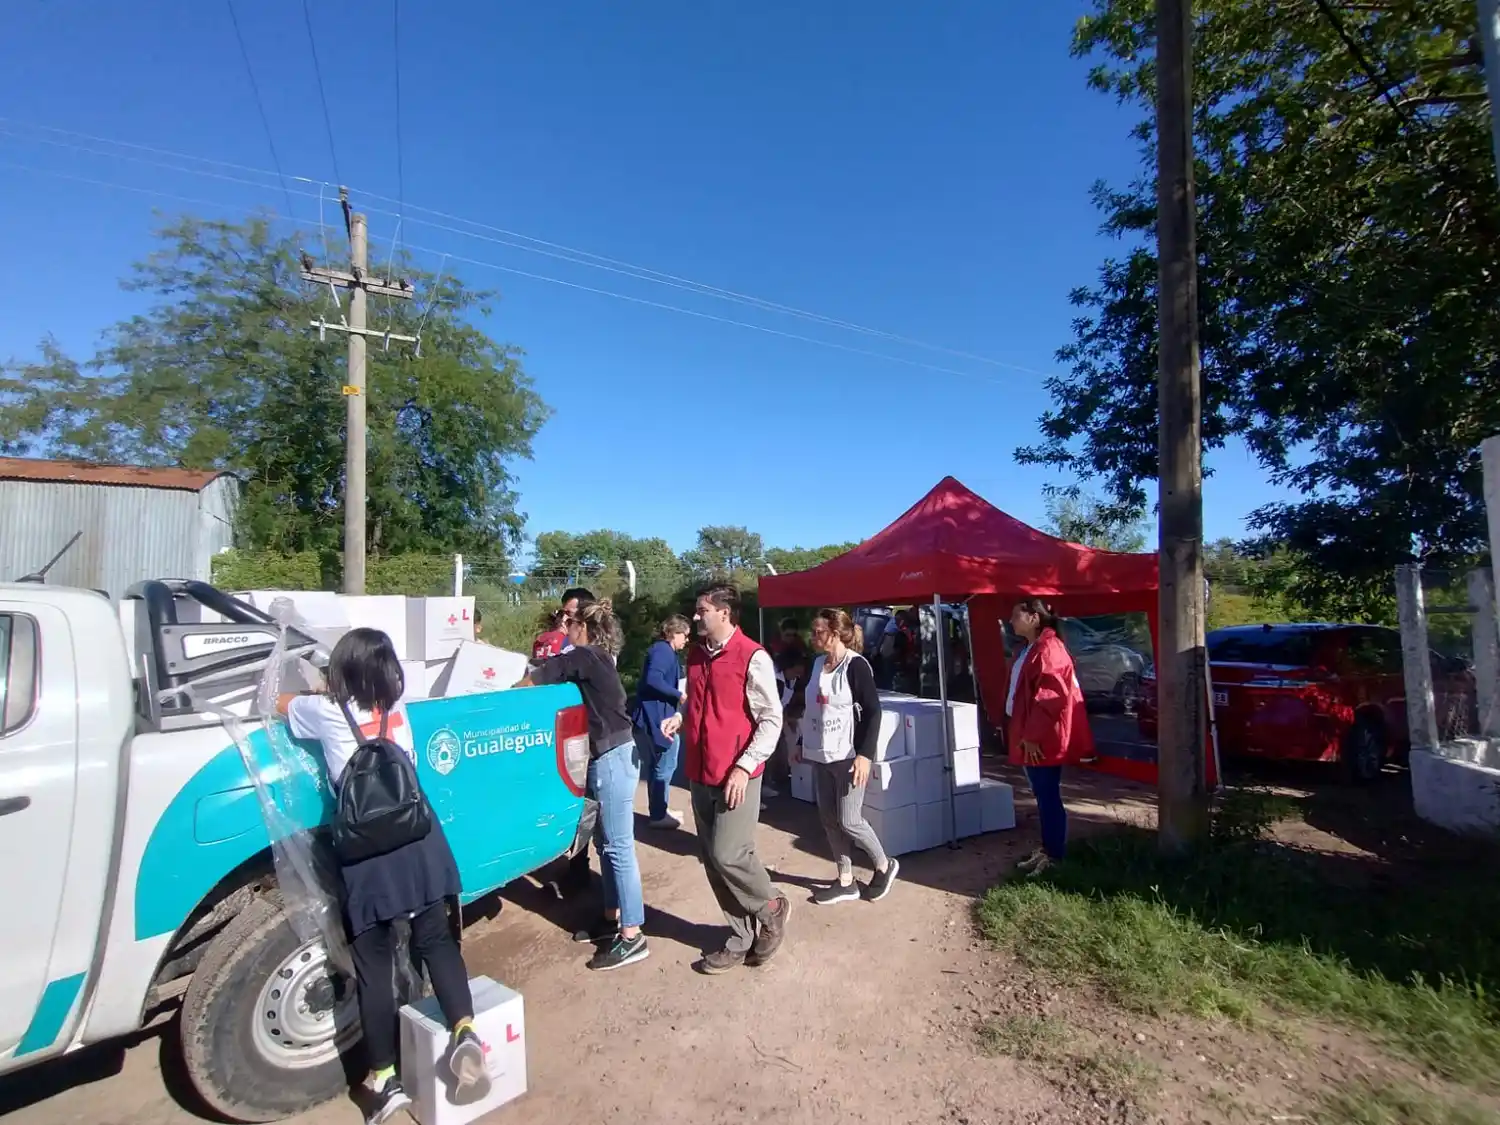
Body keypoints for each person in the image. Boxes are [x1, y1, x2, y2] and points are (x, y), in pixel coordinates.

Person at [276, 629, 489, 1125]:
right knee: (436, 941)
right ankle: (464, 1031)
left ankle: (385, 1079)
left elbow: (277, 703)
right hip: (419, 841)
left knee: (373, 966)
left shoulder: (326, 711)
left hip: (367, 853)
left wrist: (311, 689)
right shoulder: (399, 706)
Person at [661, 584, 790, 974]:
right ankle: (740, 937)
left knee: (729, 853)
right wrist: (681, 719)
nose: (696, 617)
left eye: (702, 610)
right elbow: (698, 702)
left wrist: (744, 767)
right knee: (712, 859)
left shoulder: (752, 657)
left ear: (724, 613)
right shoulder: (696, 654)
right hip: (700, 772)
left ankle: (771, 906)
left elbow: (771, 719)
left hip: (737, 773)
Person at [517, 600, 648, 971]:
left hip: (612, 759)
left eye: (569, 621)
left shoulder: (586, 656)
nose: (564, 626)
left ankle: (633, 935)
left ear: (583, 628)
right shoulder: (598, 659)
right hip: (608, 758)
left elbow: (542, 676)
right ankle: (611, 917)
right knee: (606, 844)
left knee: (619, 846)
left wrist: (503, 691)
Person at [798, 608, 899, 905]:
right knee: (829, 819)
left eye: (818, 632)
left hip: (848, 754)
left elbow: (873, 712)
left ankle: (884, 865)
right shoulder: (817, 664)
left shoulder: (856, 666)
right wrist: (801, 741)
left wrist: (865, 755)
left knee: (850, 819)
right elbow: (811, 708)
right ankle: (846, 880)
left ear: (835, 633)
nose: (813, 636)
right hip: (821, 754)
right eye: (813, 631)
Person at [1007, 599, 1093, 876]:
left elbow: (1051, 697)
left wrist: (1032, 735)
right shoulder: (1032, 647)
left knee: (1047, 794)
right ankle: (1048, 848)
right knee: (1042, 793)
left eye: (1016, 615)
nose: (1011, 620)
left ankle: (1054, 854)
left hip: (1041, 738)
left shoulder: (1049, 648)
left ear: (1034, 617)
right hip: (1029, 734)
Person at [633, 614, 690, 829]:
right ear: (674, 633)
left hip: (653, 715)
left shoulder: (661, 651)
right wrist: (679, 695)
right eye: (685, 635)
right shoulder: (663, 652)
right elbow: (653, 679)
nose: (686, 640)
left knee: (659, 764)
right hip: (657, 717)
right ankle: (658, 814)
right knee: (665, 764)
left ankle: (659, 809)